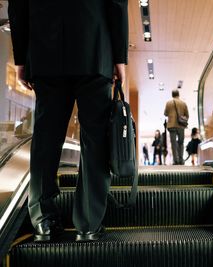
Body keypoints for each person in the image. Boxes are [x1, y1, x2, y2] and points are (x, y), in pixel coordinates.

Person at [8, 0, 128, 242]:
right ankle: (88, 224)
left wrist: (21, 58)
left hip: (45, 49)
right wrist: (119, 57)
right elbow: (116, 3)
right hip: (94, 48)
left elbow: (18, 4)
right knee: (95, 140)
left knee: (46, 138)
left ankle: (44, 221)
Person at [164, 89, 189, 165]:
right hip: (181, 125)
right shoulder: (183, 103)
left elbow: (165, 113)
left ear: (172, 95)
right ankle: (181, 160)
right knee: (181, 143)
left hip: (171, 125)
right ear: (178, 94)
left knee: (173, 143)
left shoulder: (168, 103)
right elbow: (187, 115)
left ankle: (175, 160)